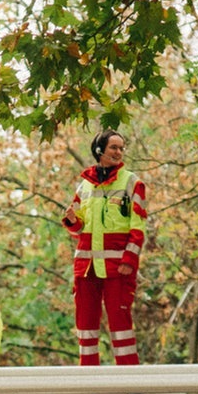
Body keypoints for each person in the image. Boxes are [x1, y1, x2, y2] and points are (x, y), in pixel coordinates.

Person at [61, 130, 147, 365]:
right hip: (86, 266)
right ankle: (88, 380)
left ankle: (129, 380)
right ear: (99, 150)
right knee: (85, 326)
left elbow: (138, 227)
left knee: (121, 325)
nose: (119, 152)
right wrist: (71, 220)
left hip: (117, 266)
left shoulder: (132, 182)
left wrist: (130, 260)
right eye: (113, 148)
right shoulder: (84, 186)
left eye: (121, 148)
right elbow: (78, 227)